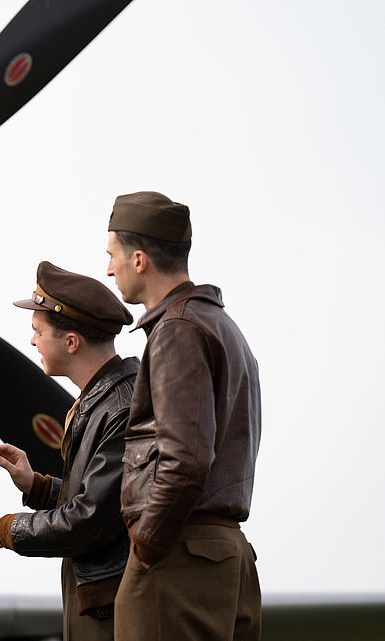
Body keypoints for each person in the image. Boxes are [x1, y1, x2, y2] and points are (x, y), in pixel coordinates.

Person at [104, 191, 262, 641]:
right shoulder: (222, 325)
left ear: (139, 260)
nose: (107, 268)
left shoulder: (177, 330)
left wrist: (148, 546)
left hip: (179, 556)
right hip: (225, 552)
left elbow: (188, 458)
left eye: (111, 255)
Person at [0, 261, 138, 641]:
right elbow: (103, 499)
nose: (32, 342)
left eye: (38, 331)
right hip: (102, 598)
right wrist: (37, 486)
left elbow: (91, 521)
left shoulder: (122, 407)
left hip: (115, 604)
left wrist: (6, 530)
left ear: (71, 341)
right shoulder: (100, 400)